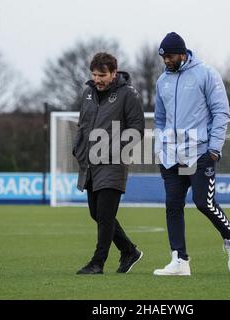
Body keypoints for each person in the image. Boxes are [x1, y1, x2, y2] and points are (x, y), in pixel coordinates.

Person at [153, 32, 230, 276]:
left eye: (170, 56)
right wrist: (160, 148)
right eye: (163, 57)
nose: (166, 61)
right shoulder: (162, 81)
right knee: (172, 206)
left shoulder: (206, 74)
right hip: (171, 156)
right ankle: (180, 261)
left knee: (202, 202)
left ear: (183, 54)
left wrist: (214, 149)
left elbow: (221, 113)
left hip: (199, 152)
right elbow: (160, 119)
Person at [73, 52, 144, 275]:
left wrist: (114, 150)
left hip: (114, 162)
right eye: (94, 74)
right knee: (96, 213)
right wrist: (79, 148)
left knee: (104, 215)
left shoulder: (128, 94)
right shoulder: (87, 93)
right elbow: (82, 126)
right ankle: (129, 250)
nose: (97, 79)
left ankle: (98, 262)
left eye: (102, 74)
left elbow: (137, 129)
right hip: (90, 163)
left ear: (114, 73)